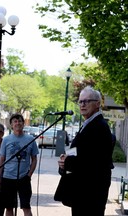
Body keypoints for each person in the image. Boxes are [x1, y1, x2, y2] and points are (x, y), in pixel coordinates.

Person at [58, 86, 114, 216]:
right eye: (80, 101)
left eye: (87, 101)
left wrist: (68, 162)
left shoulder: (99, 126)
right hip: (81, 188)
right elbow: (78, 151)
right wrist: (65, 161)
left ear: (98, 104)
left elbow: (94, 160)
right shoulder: (88, 124)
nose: (82, 104)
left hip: (91, 190)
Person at [0, 113, 39, 216]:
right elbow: (2, 159)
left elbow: (34, 159)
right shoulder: (6, 140)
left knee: (26, 207)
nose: (17, 123)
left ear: (23, 124)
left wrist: (29, 175)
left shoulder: (30, 139)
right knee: (9, 207)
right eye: (15, 121)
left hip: (24, 178)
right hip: (8, 178)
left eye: (20, 121)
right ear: (11, 125)